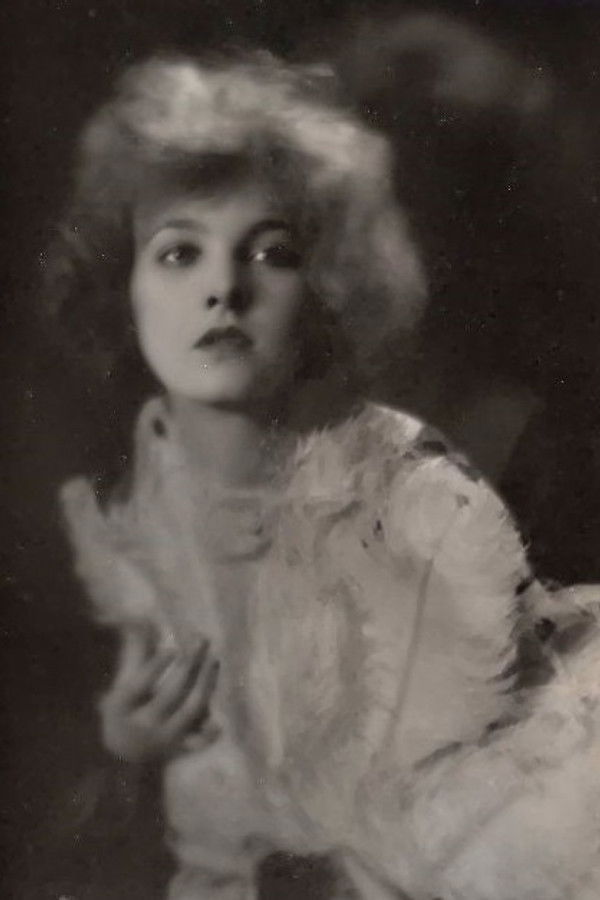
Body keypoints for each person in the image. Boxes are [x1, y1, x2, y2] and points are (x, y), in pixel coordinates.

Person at [53, 50, 600, 900]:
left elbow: (428, 839)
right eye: (178, 253)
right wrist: (131, 750)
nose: (223, 288)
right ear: (122, 289)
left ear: (325, 294)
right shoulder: (128, 505)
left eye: (270, 254)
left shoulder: (410, 505)